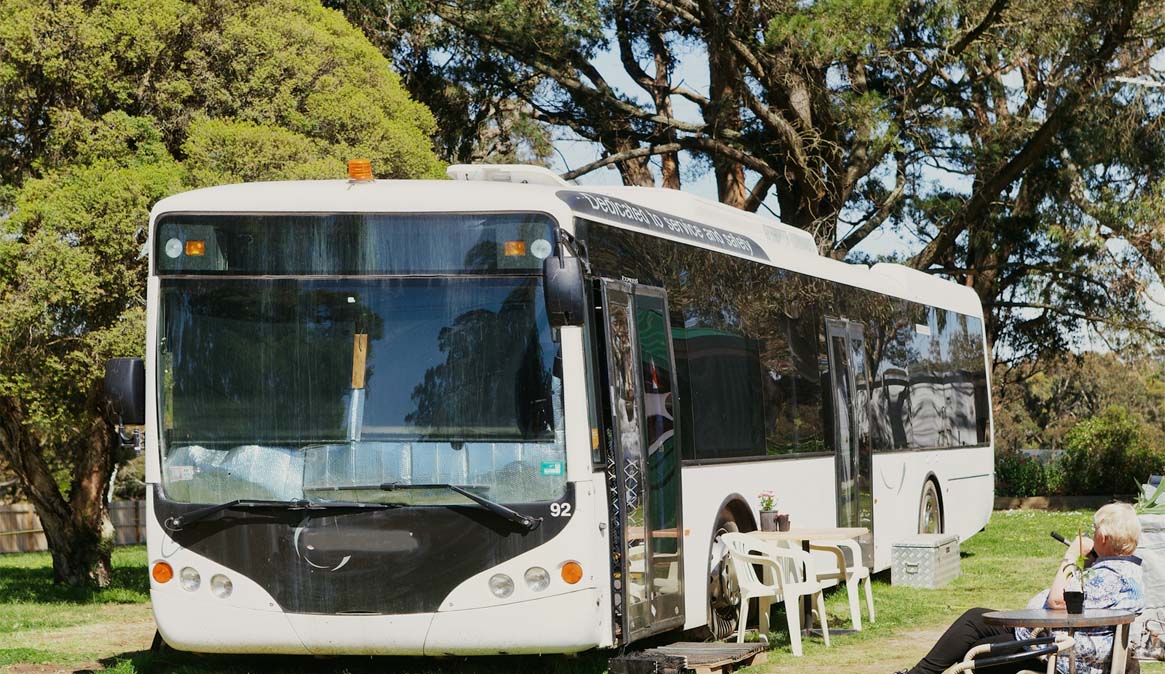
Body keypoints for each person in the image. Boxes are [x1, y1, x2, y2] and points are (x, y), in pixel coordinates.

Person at [897, 502, 1144, 674]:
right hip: (1054, 641)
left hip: (1062, 653)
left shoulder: (1109, 576)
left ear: (1102, 538)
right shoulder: (1126, 571)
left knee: (974, 652)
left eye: (1093, 530)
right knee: (975, 620)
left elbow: (1058, 601)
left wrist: (1071, 556)